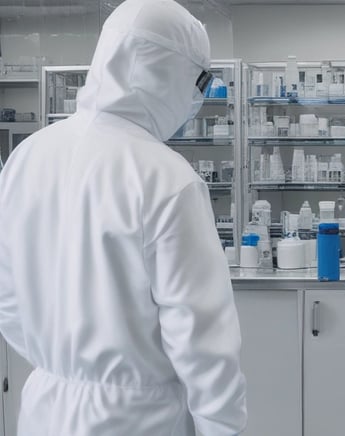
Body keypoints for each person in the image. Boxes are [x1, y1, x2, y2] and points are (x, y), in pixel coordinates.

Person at [0, 0, 247, 434]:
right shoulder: (167, 178)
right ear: (166, 72)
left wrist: (64, 365)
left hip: (44, 409)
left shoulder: (27, 157)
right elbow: (202, 345)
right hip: (138, 419)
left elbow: (8, 300)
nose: (196, 99)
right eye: (197, 81)